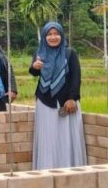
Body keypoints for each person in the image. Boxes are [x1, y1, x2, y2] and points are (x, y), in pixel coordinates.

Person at [30, 22, 86, 169]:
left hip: (66, 102)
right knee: (48, 137)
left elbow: (76, 77)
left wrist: (72, 98)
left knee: (66, 137)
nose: (53, 37)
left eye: (56, 34)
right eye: (49, 34)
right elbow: (34, 71)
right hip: (45, 101)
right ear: (44, 36)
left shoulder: (69, 53)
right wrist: (34, 67)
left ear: (61, 36)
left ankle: (68, 168)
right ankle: (47, 168)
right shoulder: (39, 53)